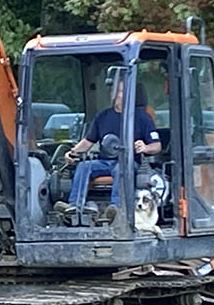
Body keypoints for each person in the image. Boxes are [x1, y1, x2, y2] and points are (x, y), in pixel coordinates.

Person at [63, 80, 161, 215]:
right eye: (116, 91)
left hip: (129, 162)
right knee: (84, 166)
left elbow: (157, 146)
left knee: (120, 169)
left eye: (121, 91)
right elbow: (88, 141)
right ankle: (75, 206)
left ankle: (116, 210)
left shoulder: (142, 117)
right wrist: (72, 152)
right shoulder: (102, 116)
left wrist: (145, 147)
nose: (118, 94)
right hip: (104, 162)